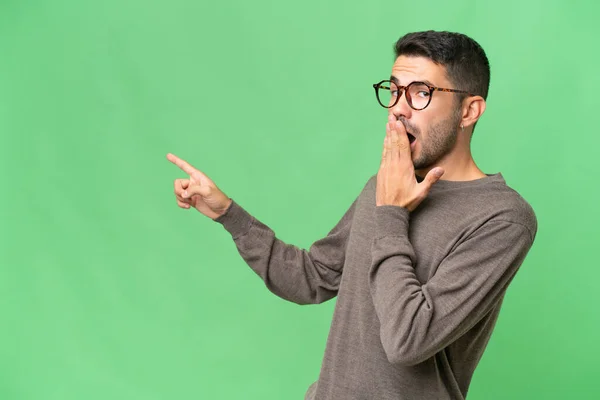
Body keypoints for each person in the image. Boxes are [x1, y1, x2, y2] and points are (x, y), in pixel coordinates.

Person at [167, 30, 537, 400]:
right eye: (393, 91)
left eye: (421, 93)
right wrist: (230, 215)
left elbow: (407, 340)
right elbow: (312, 278)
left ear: (469, 111)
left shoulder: (502, 218)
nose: (398, 109)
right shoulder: (385, 185)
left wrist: (392, 212)